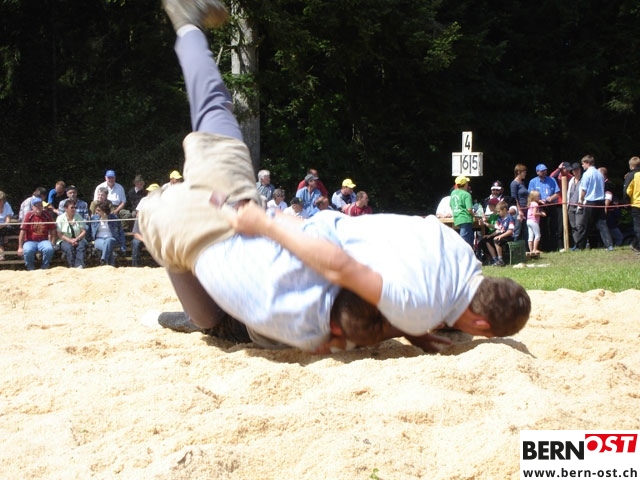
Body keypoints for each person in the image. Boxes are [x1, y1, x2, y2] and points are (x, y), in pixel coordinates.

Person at [140, 0, 530, 352]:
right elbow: (342, 267)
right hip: (189, 224)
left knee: (214, 107)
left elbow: (377, 266)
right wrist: (264, 223)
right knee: (218, 317)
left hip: (252, 212)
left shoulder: (455, 251)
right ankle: (188, 295)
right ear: (481, 325)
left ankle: (188, 28)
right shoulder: (417, 305)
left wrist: (413, 327)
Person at [573, 155, 614, 251]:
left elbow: (584, 189)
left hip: (591, 202)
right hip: (601, 202)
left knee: (585, 225)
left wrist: (580, 200)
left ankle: (580, 246)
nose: (582, 166)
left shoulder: (587, 174)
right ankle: (609, 245)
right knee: (602, 224)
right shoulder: (600, 174)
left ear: (588, 163)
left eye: (583, 164)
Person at [17, 197, 57, 270]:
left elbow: (53, 229)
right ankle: (30, 268)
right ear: (32, 207)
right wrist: (20, 247)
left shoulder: (47, 214)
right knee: (27, 250)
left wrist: (53, 243)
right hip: (30, 241)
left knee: (49, 249)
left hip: (44, 240)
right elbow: (22, 231)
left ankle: (45, 267)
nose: (39, 207)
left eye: (40, 205)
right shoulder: (28, 215)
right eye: (36, 205)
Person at [528, 163, 560, 251]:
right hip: (539, 206)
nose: (544, 172)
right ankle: (543, 248)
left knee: (553, 226)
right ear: (537, 172)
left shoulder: (552, 180)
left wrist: (551, 198)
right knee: (542, 227)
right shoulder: (533, 181)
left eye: (545, 170)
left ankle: (553, 248)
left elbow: (557, 193)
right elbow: (530, 196)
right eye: (542, 171)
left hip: (551, 205)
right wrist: (539, 201)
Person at [90, 200, 124, 266]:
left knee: (108, 241)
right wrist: (90, 241)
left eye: (99, 210)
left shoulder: (114, 218)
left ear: (104, 211)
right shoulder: (94, 218)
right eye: (96, 210)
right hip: (99, 239)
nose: (96, 212)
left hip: (111, 239)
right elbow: (89, 231)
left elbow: (121, 232)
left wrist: (123, 246)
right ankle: (109, 264)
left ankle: (103, 260)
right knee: (108, 248)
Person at [56, 199, 88, 268]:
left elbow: (83, 231)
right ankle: (72, 266)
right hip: (65, 240)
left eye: (75, 207)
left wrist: (76, 239)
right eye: (72, 207)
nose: (74, 209)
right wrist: (70, 240)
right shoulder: (60, 218)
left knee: (81, 246)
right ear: (66, 209)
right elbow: (59, 234)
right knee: (68, 248)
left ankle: (79, 265)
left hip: (78, 239)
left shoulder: (78, 217)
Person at [481, 200, 515, 266]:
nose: (498, 213)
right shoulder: (499, 219)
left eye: (499, 211)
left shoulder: (510, 218)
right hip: (501, 235)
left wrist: (500, 236)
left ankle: (500, 260)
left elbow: (510, 231)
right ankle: (495, 259)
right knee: (487, 241)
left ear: (504, 209)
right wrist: (490, 235)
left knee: (496, 240)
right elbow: (498, 230)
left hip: (508, 236)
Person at [449, 175, 474, 248]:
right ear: (465, 184)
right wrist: (474, 215)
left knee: (469, 238)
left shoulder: (453, 193)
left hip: (456, 218)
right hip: (465, 219)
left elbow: (451, 205)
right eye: (467, 183)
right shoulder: (467, 194)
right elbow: (469, 209)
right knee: (464, 241)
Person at [623, 156, 640, 254]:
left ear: (631, 166)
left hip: (636, 205)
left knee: (638, 227)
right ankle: (634, 244)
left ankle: (638, 246)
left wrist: (626, 203)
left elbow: (627, 191)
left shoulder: (632, 175)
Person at [566, 162, 583, 249]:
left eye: (576, 170)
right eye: (573, 170)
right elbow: (568, 194)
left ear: (580, 170)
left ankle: (581, 244)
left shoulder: (583, 180)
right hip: (571, 206)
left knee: (579, 226)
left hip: (580, 206)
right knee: (573, 226)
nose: (574, 172)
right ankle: (576, 244)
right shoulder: (571, 181)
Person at [510, 164, 528, 240]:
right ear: (518, 172)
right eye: (524, 172)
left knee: (525, 230)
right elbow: (514, 198)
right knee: (517, 231)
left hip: (526, 208)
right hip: (519, 209)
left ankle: (525, 246)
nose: (525, 174)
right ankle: (514, 245)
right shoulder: (514, 183)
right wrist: (519, 210)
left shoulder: (522, 183)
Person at [526, 190, 546, 254]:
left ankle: (531, 250)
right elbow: (534, 213)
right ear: (534, 197)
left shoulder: (530, 203)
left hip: (528, 221)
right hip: (533, 221)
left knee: (530, 236)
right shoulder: (535, 204)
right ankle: (535, 249)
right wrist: (541, 214)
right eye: (538, 196)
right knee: (537, 235)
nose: (539, 197)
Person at [0, 191, 16, 261]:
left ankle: (1, 254)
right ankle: (1, 253)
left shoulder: (7, 205)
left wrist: (2, 225)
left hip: (5, 226)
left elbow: (8, 220)